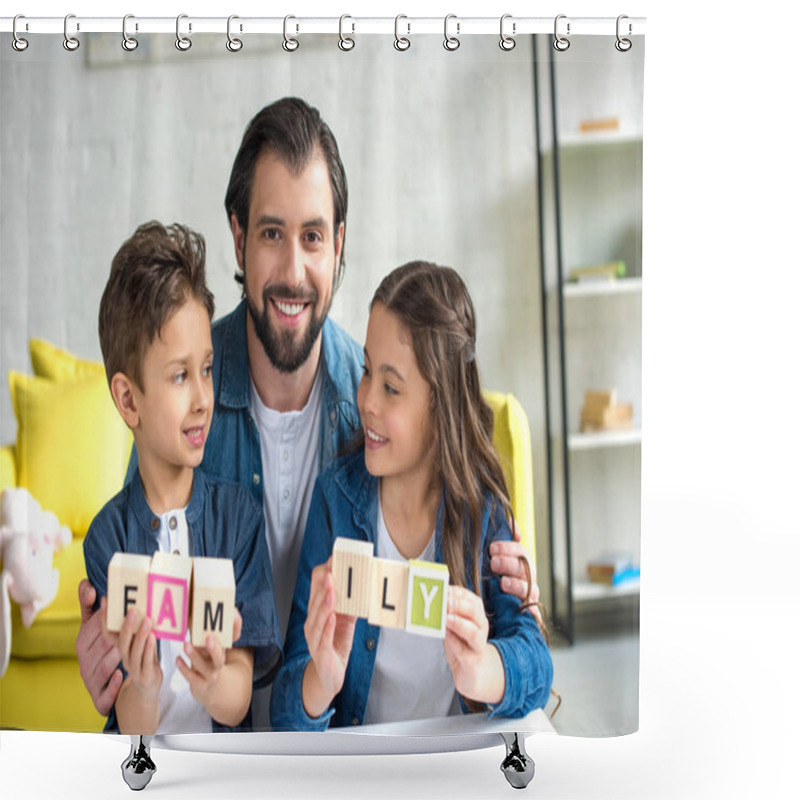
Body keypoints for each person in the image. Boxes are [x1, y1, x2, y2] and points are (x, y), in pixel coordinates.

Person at [75, 97, 541, 728]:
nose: (294, 271)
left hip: (334, 741)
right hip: (221, 738)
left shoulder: (370, 410)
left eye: (313, 237)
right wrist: (110, 652)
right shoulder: (182, 401)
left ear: (339, 245)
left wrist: (511, 616)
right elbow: (135, 568)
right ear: (238, 238)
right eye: (271, 234)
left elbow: (501, 618)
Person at [271, 261, 553, 730]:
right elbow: (286, 708)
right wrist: (320, 678)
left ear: (440, 407)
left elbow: (537, 666)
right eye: (366, 373)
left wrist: (483, 669)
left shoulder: (481, 512)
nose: (367, 402)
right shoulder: (335, 501)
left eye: (392, 388)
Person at [82, 221, 280, 737]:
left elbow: (237, 702)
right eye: (179, 375)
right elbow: (130, 726)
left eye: (208, 369)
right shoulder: (108, 539)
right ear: (129, 400)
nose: (203, 398)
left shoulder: (238, 517)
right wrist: (143, 688)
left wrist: (213, 682)